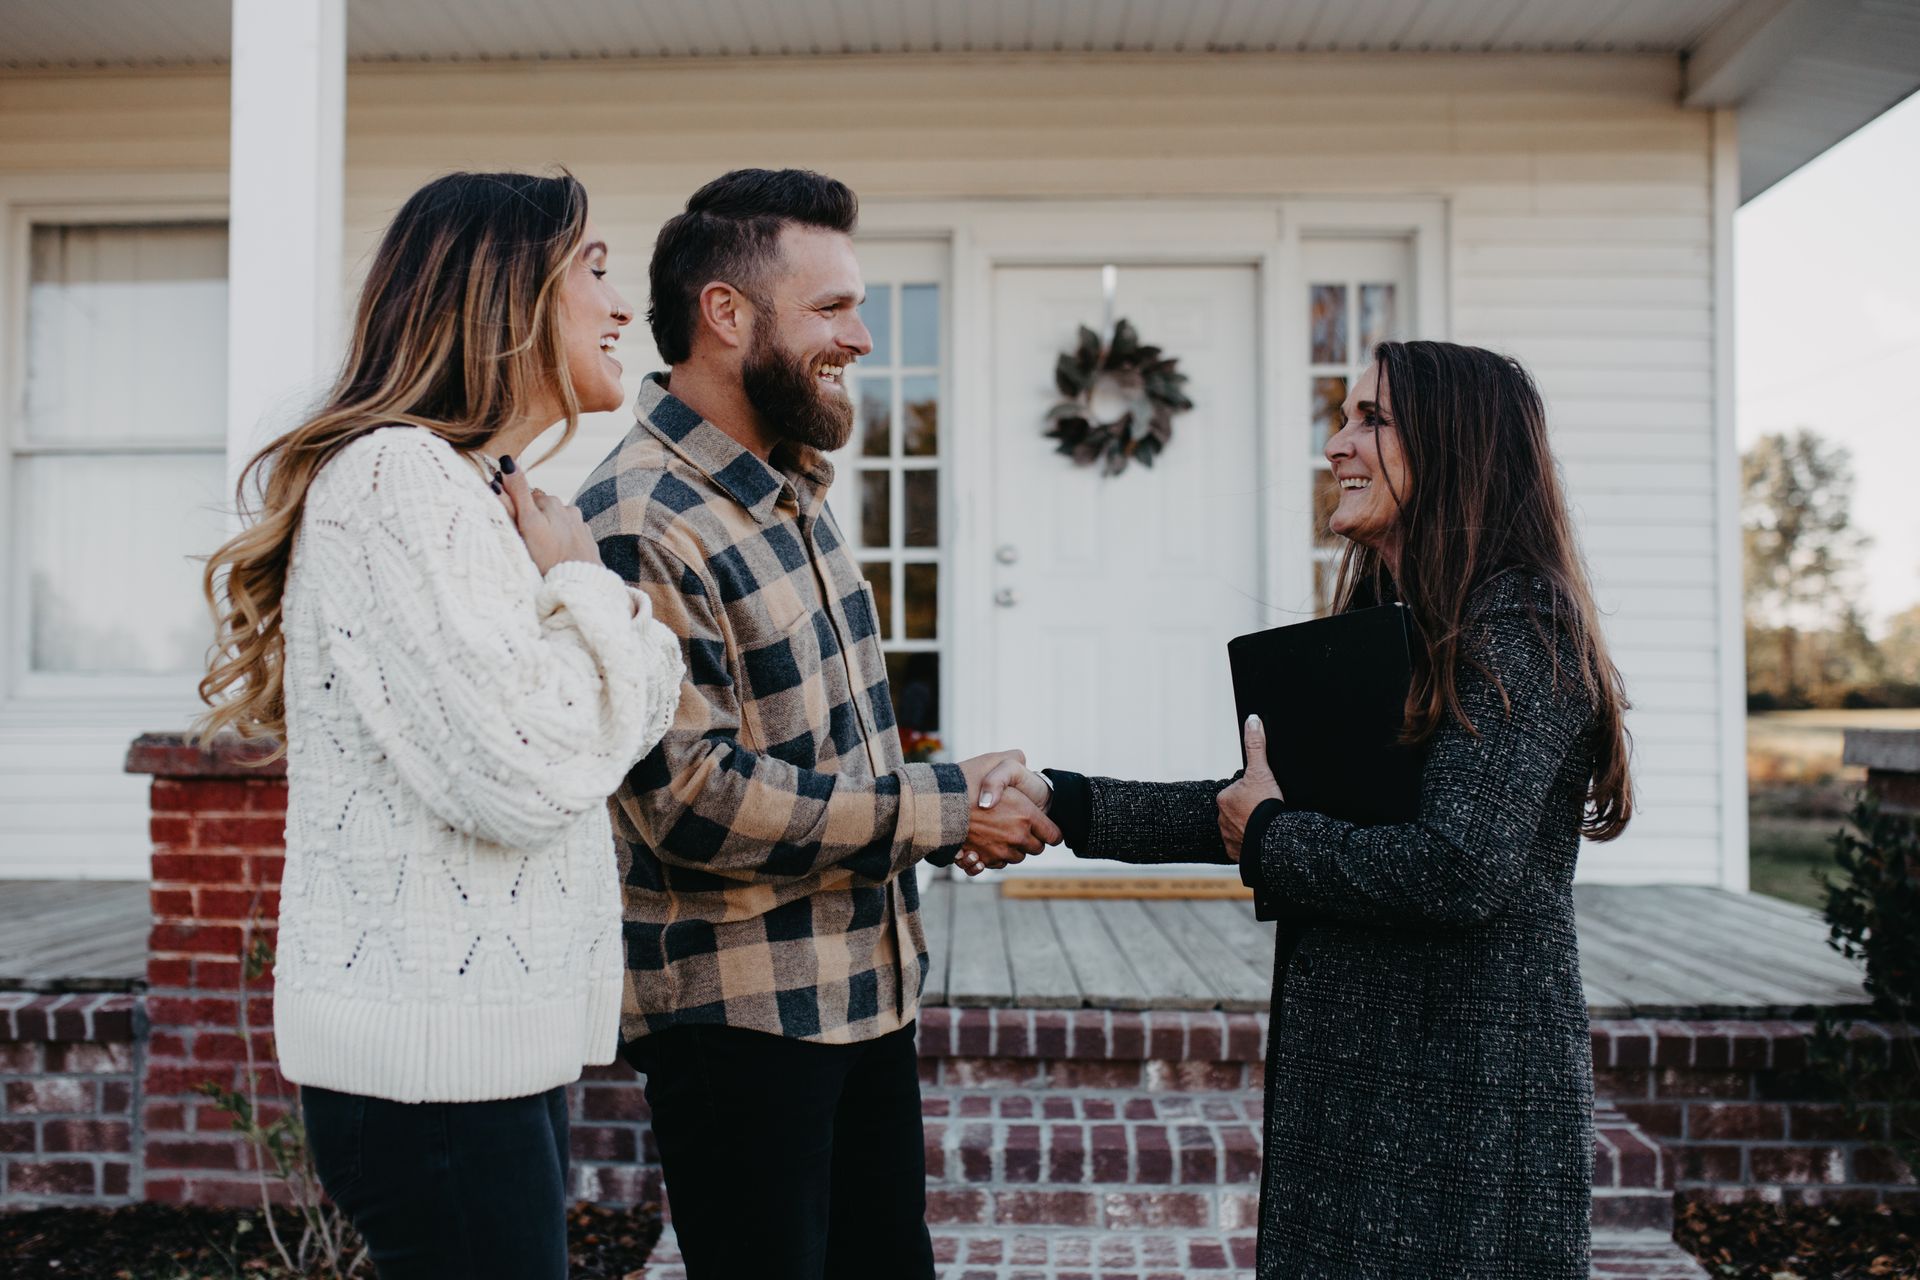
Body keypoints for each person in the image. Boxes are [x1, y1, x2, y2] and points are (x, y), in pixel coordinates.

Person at [972, 340, 1635, 1279]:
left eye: (1373, 419)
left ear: (1458, 446)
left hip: (1462, 1107)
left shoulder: (1520, 625)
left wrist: (1274, 834)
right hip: (1367, 1087)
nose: (1337, 444)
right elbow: (1262, 810)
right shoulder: (1406, 626)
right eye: (1344, 416)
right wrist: (1063, 802)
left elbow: (1458, 868)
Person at [196, 171, 684, 1280]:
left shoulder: (469, 485)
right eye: (595, 270)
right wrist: (592, 590)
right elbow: (531, 766)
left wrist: (584, 609)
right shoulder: (395, 478)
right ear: (505, 292)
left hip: (481, 1057)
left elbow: (635, 716)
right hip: (430, 1074)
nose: (622, 307)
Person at [573, 168, 1057, 1280]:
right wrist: (944, 809)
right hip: (742, 1027)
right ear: (728, 315)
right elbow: (686, 799)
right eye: (834, 308)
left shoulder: (791, 489)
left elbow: (826, 752)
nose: (865, 338)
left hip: (862, 993)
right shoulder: (640, 520)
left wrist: (949, 798)